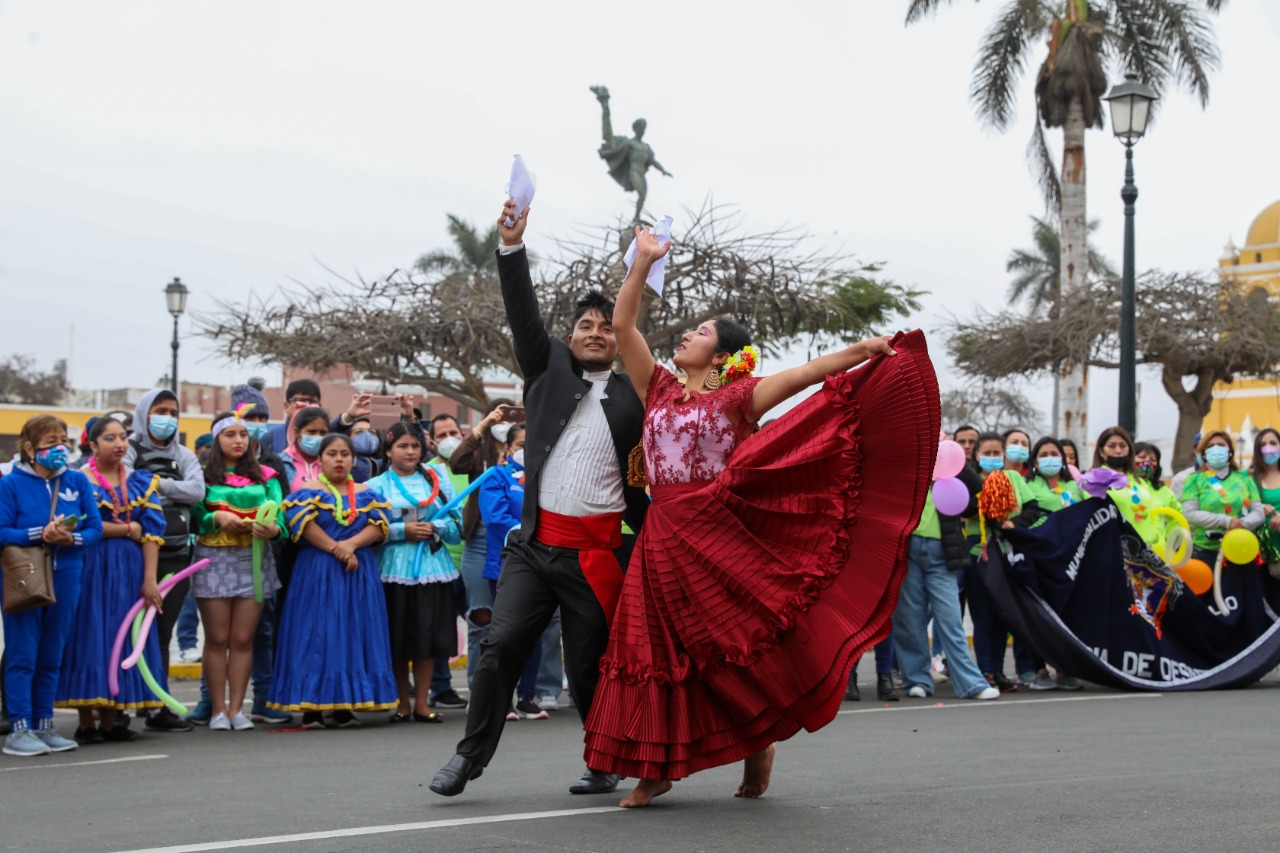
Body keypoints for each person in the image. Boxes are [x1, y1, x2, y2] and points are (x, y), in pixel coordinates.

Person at [580, 222, 937, 808]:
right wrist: (642, 261)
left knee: (731, 642)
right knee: (653, 648)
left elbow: (807, 376)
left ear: (721, 356)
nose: (686, 335)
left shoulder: (737, 397)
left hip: (716, 532)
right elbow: (624, 326)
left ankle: (759, 740)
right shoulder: (658, 388)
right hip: (661, 535)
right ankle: (655, 769)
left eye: (700, 332)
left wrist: (864, 351)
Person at [430, 202, 651, 798]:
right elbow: (522, 310)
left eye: (607, 327)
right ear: (571, 336)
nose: (596, 333)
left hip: (597, 556)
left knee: (589, 667)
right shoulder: (546, 367)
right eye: (586, 326)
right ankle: (467, 759)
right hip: (533, 547)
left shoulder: (637, 395)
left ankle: (604, 760)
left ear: (620, 337)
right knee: (498, 647)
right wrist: (511, 245)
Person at [268, 434, 396, 727]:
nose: (339, 459)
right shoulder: (307, 492)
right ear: (320, 459)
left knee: (353, 633)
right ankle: (311, 707)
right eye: (332, 454)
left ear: (353, 459)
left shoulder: (367, 492)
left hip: (357, 573)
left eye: (344, 454)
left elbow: (379, 526)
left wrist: (351, 545)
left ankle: (344, 706)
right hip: (317, 571)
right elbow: (304, 526)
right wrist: (338, 549)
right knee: (316, 633)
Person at [56, 417, 166, 744]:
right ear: (92, 444)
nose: (119, 444)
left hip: (129, 571)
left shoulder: (140, 482)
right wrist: (126, 529)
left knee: (121, 635)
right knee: (89, 634)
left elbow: (151, 534)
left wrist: (150, 580)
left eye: (123, 437)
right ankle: (85, 721)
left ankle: (111, 720)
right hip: (89, 566)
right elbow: (77, 525)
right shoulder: (77, 480)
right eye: (109, 438)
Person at [1, 415, 103, 756]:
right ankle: (19, 728)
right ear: (30, 449)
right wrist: (39, 534)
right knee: (22, 655)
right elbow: (2, 531)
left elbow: (95, 529)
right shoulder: (9, 484)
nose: (59, 447)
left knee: (51, 655)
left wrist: (70, 538)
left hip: (67, 574)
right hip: (24, 577)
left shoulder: (77, 480)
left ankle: (44, 725)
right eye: (50, 442)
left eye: (63, 440)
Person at [189, 409, 284, 731]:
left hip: (254, 558)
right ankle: (217, 710)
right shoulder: (202, 475)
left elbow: (280, 518)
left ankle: (237, 710)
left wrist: (271, 529)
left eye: (243, 434)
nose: (238, 440)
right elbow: (195, 516)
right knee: (217, 638)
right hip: (213, 558)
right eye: (230, 434)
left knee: (243, 639)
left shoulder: (267, 476)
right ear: (217, 439)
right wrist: (217, 518)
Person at [123, 389, 206, 733]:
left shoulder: (184, 454)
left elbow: (198, 491)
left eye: (173, 412)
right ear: (144, 413)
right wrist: (170, 488)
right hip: (133, 554)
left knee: (160, 632)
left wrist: (158, 485)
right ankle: (119, 707)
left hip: (176, 554)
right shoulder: (128, 448)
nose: (167, 418)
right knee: (125, 632)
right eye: (160, 410)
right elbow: (126, 485)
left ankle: (158, 707)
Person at [367, 422, 461, 724]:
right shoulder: (376, 485)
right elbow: (369, 530)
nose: (410, 452)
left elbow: (457, 527)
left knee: (427, 639)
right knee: (397, 638)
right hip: (392, 570)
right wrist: (401, 531)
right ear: (388, 451)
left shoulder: (437, 480)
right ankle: (401, 703)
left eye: (415, 446)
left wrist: (436, 526)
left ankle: (422, 703)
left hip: (434, 568)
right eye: (403, 446)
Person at [892, 436, 997, 704]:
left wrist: (954, 457)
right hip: (908, 550)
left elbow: (978, 492)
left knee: (950, 620)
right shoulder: (905, 461)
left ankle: (971, 683)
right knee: (910, 619)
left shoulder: (949, 462)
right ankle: (916, 680)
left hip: (943, 551)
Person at [475, 423, 549, 721]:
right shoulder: (496, 476)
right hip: (506, 564)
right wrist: (532, 530)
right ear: (507, 448)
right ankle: (500, 698)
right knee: (504, 636)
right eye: (521, 444)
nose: (527, 450)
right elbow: (495, 518)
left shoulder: (546, 474)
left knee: (535, 635)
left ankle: (527, 696)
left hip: (543, 564)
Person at [447, 399, 516, 691]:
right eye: (498, 416)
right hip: (479, 541)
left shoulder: (524, 450)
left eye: (510, 416)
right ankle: (479, 689)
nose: (504, 423)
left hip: (513, 541)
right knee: (481, 617)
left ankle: (509, 690)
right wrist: (483, 426)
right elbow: (457, 463)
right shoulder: (479, 453)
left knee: (511, 623)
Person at [965, 432, 1042, 693]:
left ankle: (998, 672)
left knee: (1002, 616)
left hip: (1008, 555)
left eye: (996, 453)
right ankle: (985, 671)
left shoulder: (1014, 478)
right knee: (983, 617)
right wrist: (986, 502)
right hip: (979, 554)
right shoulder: (972, 480)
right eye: (986, 453)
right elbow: (964, 509)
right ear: (977, 455)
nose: (992, 457)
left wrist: (1013, 524)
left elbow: (1033, 509)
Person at [1019, 437, 1085, 691]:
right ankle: (1038, 669)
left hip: (1070, 556)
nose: (1050, 459)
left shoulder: (1076, 485)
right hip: (1039, 555)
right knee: (1040, 613)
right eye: (1043, 454)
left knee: (1067, 614)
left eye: (1054, 454)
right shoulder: (1028, 485)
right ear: (1035, 461)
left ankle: (1065, 670)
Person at [424, 414, 470, 711]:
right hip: (440, 563)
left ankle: (487, 686)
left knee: (483, 626)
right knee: (439, 629)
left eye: (453, 432)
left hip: (474, 562)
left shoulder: (473, 467)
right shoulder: (427, 473)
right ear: (431, 441)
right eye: (441, 435)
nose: (449, 439)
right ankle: (440, 688)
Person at [1181, 430, 1264, 569]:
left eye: (1221, 444)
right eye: (1210, 446)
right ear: (1204, 453)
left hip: (1240, 547)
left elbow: (1258, 512)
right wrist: (1226, 521)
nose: (1216, 448)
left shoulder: (1245, 480)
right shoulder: (1194, 480)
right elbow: (1189, 513)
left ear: (1230, 451)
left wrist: (1240, 525)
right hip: (1205, 551)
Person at [280, 408, 331, 493]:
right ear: (297, 432)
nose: (318, 437)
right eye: (312, 432)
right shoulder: (281, 462)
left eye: (323, 433)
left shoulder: (331, 463)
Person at [1250, 429, 1280, 572]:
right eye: (1263, 445)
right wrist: (1259, 507)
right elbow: (1238, 506)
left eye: (1273, 443)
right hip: (1259, 552)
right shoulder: (1248, 477)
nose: (1268, 448)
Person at [1133, 443, 1179, 511]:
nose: (1147, 462)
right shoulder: (1121, 485)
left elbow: (1176, 514)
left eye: (1153, 460)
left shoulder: (1164, 491)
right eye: (1142, 457)